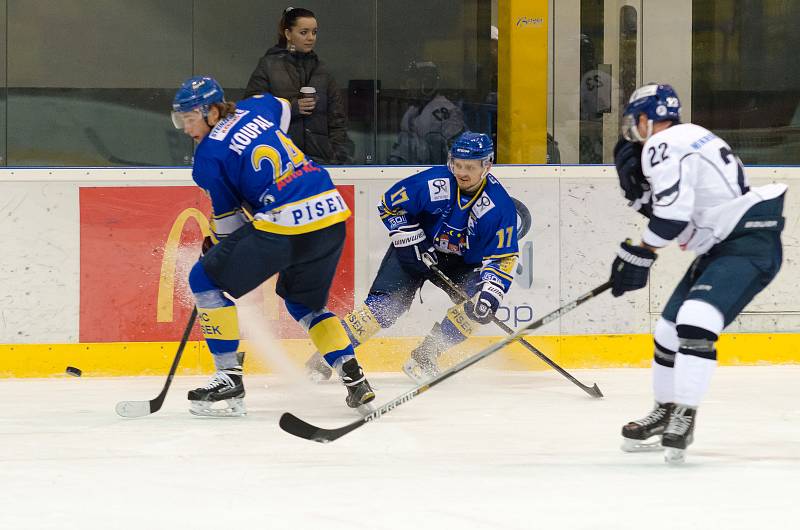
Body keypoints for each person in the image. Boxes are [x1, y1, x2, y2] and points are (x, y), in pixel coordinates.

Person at [170, 75, 374, 417]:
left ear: (213, 112)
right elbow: (282, 106)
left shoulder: (209, 156)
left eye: (191, 118)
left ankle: (227, 378)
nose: (186, 128)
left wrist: (217, 248)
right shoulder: (257, 107)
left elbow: (230, 222)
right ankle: (355, 378)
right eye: (182, 119)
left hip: (283, 223)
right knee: (305, 306)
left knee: (203, 281)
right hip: (330, 214)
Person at [611, 83, 786, 464]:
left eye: (635, 121)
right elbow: (690, 212)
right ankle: (665, 409)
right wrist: (646, 219)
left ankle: (684, 416)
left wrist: (641, 252)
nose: (634, 131)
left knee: (696, 319)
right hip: (724, 244)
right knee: (668, 331)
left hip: (745, 242)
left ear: (645, 119)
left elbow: (672, 216)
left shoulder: (662, 143)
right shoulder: (693, 137)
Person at [307, 132, 519, 383]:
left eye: (470, 167)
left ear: (487, 165)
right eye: (458, 165)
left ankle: (426, 354)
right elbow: (388, 204)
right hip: (414, 251)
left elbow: (504, 256)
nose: (462, 172)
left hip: (461, 263)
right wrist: (411, 238)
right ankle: (326, 356)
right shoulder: (435, 183)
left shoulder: (498, 206)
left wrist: (491, 291)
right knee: (383, 309)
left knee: (478, 306)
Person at [244, 7, 353, 165]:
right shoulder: (268, 66)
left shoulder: (323, 71)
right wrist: (291, 108)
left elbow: (338, 120)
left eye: (314, 32)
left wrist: (335, 156)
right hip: (281, 162)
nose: (311, 38)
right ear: (288, 34)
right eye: (304, 32)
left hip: (320, 162)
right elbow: (252, 112)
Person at [388, 60, 466, 165]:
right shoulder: (411, 112)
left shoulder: (445, 111)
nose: (405, 88)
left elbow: (460, 152)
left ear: (427, 84)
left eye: (410, 83)